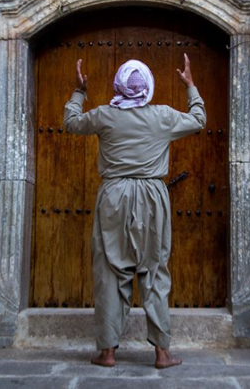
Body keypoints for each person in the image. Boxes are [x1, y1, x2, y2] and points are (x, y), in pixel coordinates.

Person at [63, 54, 206, 369]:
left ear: (119, 85)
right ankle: (162, 353)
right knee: (154, 271)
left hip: (113, 196)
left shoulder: (104, 116)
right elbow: (198, 120)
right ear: (148, 87)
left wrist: (79, 91)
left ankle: (108, 352)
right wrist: (190, 86)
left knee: (111, 272)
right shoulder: (163, 116)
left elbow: (71, 123)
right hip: (152, 196)